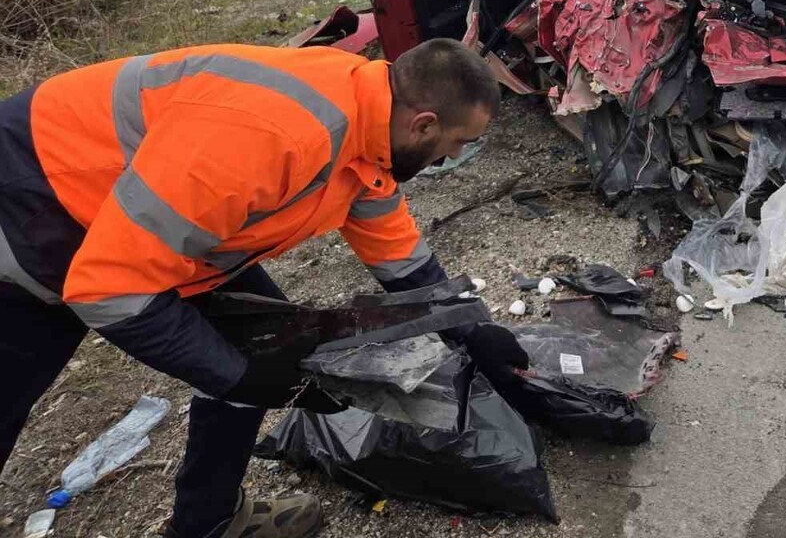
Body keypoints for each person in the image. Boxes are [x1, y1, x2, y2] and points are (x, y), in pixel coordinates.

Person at [0, 39, 516, 538]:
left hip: (169, 227)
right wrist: (240, 378)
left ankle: (206, 521)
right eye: (457, 145)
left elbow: (400, 255)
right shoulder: (278, 137)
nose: (449, 160)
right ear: (424, 123)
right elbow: (107, 290)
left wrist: (471, 327)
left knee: (270, 345)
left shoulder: (368, 131)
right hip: (38, 205)